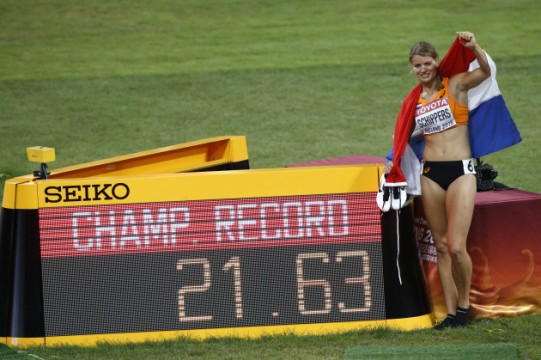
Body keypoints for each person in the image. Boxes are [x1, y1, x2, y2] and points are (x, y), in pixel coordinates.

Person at [384, 31, 491, 329]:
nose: (423, 70)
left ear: (436, 61)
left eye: (427, 63)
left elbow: (485, 72)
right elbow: (404, 135)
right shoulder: (414, 101)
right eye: (417, 66)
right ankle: (450, 314)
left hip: (460, 171)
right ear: (412, 67)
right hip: (431, 174)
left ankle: (465, 306)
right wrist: (391, 160)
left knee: (457, 247)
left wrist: (474, 47)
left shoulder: (454, 85)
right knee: (442, 247)